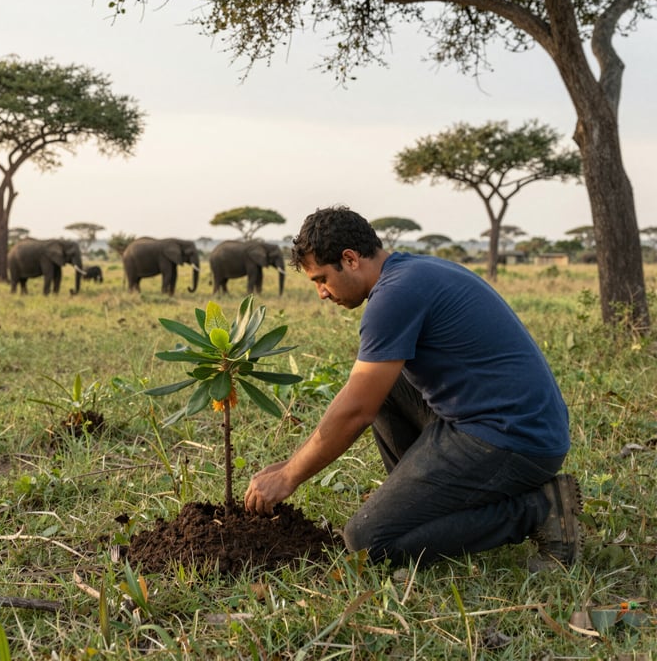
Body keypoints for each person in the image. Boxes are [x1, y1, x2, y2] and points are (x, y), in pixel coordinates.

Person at [244, 206, 582, 570]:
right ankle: (421, 506)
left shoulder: (394, 295)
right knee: (383, 385)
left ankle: (536, 509)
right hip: (500, 423)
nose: (322, 293)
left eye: (321, 279)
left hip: (514, 440)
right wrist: (292, 461)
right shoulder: (412, 271)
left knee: (366, 543)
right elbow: (362, 394)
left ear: (350, 259)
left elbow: (357, 410)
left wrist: (289, 476)